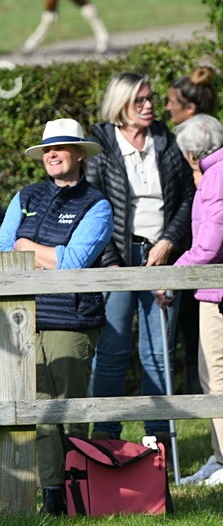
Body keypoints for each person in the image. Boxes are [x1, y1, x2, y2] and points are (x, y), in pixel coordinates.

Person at [0, 119, 112, 515]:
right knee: (40, 411)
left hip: (72, 320)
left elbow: (74, 262)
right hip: (25, 318)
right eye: (47, 149)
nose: (52, 155)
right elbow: (0, 252)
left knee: (71, 410)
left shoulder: (96, 204)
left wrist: (27, 246)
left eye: (60, 148)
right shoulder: (26, 196)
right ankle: (53, 495)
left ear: (79, 154)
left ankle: (82, 491)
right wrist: (43, 255)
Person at [85, 72, 195, 441]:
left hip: (161, 255)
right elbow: (94, 206)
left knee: (159, 351)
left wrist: (168, 242)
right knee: (111, 350)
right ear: (121, 104)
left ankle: (158, 439)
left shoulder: (167, 140)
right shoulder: (100, 144)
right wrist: (111, 261)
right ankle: (105, 437)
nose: (149, 106)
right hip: (116, 256)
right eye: (140, 100)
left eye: (151, 98)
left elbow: (187, 198)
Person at [164, 116, 223, 485]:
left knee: (215, 376)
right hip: (215, 290)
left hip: (217, 294)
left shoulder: (215, 177)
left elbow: (207, 247)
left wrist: (172, 276)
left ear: (190, 154)